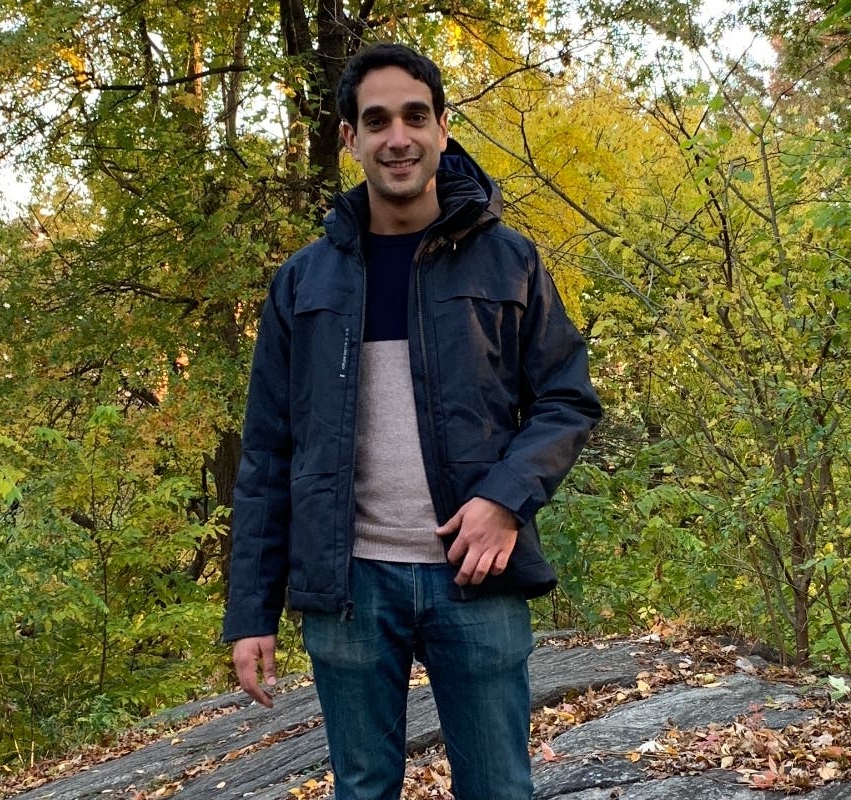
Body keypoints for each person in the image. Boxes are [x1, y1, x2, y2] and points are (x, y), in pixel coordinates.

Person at [223, 42, 601, 800]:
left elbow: (566, 398)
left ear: (441, 126)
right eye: (376, 120)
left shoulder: (509, 261)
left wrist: (503, 501)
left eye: (414, 116)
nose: (397, 136)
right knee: (363, 790)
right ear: (349, 139)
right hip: (349, 585)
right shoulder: (304, 280)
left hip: (477, 579)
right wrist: (250, 613)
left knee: (498, 788)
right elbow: (267, 451)